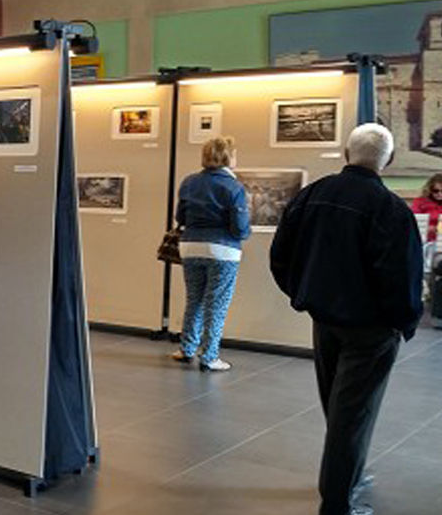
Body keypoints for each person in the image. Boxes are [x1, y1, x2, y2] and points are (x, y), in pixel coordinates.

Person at [270, 124, 423, 515]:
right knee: (352, 412)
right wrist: (402, 322)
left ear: (345, 153)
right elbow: (401, 276)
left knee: (337, 406)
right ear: (387, 160)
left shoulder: (312, 195)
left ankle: (346, 473)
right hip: (370, 329)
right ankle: (336, 502)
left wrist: (304, 294)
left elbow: (280, 255)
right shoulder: (390, 209)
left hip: (325, 320)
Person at [171, 137, 251, 371]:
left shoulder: (189, 182)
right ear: (228, 157)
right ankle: (209, 356)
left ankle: (186, 349)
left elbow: (180, 217)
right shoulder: (234, 187)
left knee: (194, 299)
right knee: (216, 303)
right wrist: (244, 232)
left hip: (190, 246)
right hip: (222, 249)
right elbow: (240, 227)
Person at [411, 173, 442, 242]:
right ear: (430, 190)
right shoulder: (420, 202)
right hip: (424, 239)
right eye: (436, 191)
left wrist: (437, 228)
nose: (440, 194)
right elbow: (414, 219)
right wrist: (428, 228)